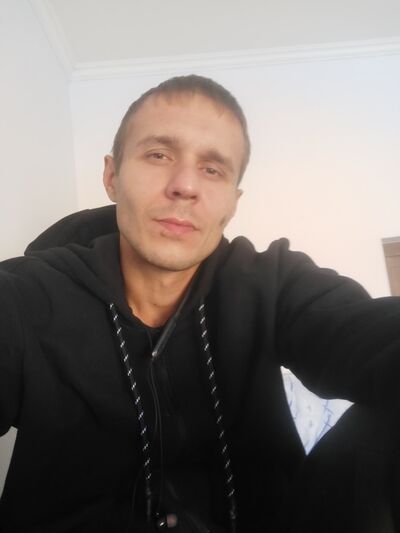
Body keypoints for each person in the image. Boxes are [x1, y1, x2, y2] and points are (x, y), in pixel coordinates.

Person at [0, 74, 399, 533]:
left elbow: (370, 335)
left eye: (213, 169)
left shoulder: (274, 283)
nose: (185, 185)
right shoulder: (26, 296)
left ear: (233, 202)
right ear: (111, 176)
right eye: (158, 154)